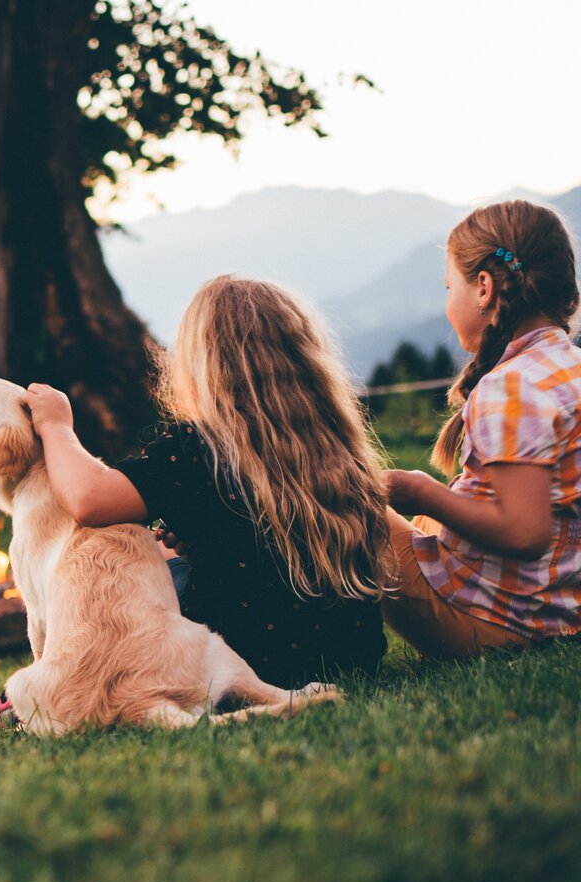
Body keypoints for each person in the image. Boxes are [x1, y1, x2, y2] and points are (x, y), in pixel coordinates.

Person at [25, 275, 390, 688]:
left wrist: (57, 427)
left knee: (132, 575)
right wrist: (202, 540)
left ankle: (62, 680)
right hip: (352, 660)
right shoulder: (337, 441)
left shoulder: (198, 448)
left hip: (245, 663)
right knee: (165, 554)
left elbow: (88, 499)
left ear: (203, 366)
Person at [384, 200, 581, 657]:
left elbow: (523, 533)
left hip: (499, 623)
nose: (448, 299)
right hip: (560, 610)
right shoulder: (566, 370)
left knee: (356, 516)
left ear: (484, 288)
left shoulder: (511, 388)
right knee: (431, 520)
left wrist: (418, 491)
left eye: (450, 285)